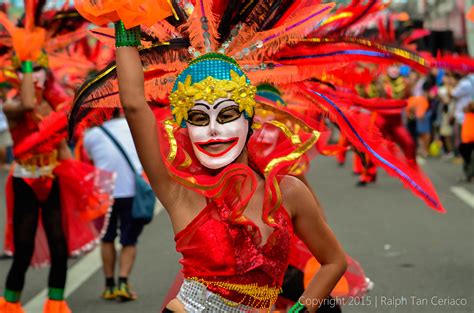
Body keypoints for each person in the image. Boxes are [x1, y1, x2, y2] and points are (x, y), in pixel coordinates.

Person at [83, 114, 145, 302]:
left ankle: (109, 285)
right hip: (131, 189)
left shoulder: (91, 135)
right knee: (129, 240)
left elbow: (91, 160)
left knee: (107, 238)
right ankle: (123, 283)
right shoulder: (133, 124)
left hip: (103, 191)